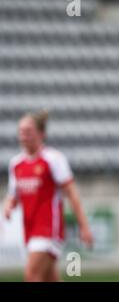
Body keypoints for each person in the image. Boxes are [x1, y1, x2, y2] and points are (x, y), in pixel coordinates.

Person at [2, 111, 93, 282]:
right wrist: (8, 206)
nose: (23, 136)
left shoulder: (53, 159)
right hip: (29, 229)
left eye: (28, 131)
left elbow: (71, 192)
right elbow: (13, 195)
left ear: (41, 134)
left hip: (49, 229)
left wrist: (84, 226)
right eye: (21, 131)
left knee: (32, 276)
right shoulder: (16, 164)